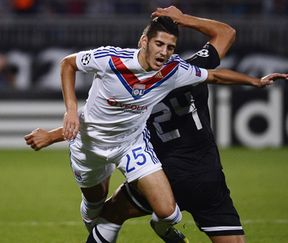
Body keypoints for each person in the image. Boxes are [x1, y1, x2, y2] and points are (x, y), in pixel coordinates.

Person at [25, 8, 287, 243]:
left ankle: (159, 227)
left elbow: (216, 75)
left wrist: (255, 81)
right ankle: (109, 218)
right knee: (95, 207)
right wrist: (67, 116)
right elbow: (70, 67)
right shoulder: (115, 61)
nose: (164, 52)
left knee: (157, 213)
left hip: (138, 150)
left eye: (170, 47)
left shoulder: (176, 71)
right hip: (101, 147)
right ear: (144, 42)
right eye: (159, 44)